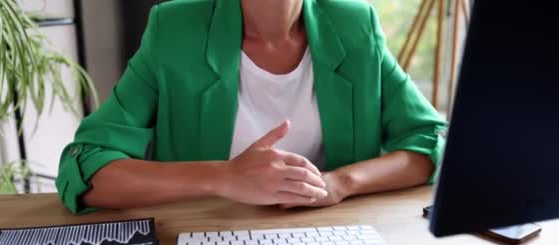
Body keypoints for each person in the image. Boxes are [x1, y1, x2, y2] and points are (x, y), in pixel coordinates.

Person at [56, 0, 447, 214]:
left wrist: (339, 183)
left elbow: (433, 140)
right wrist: (221, 177)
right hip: (206, 240)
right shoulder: (173, 28)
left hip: (332, 240)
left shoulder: (355, 24)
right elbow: (85, 164)